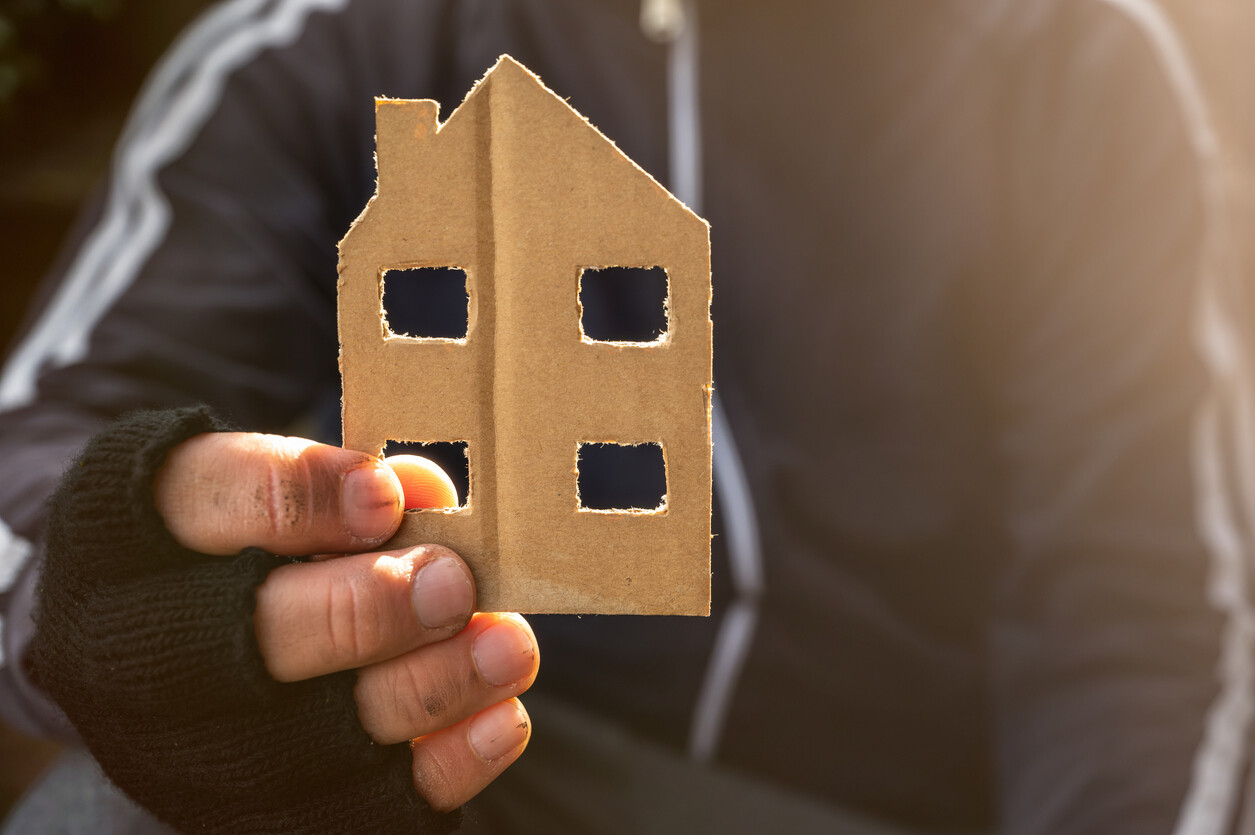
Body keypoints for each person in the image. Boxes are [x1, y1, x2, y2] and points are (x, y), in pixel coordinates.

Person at [1, 0, 1251, 833]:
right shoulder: (336, 39)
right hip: (464, 750)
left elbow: (1135, 600)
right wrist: (125, 600)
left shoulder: (1072, 61)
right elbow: (53, 447)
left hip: (873, 804)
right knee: (126, 801)